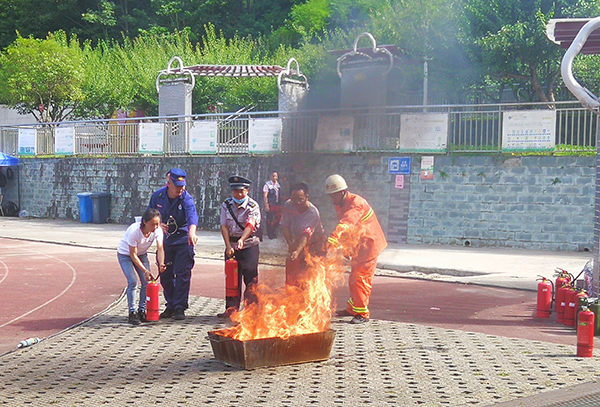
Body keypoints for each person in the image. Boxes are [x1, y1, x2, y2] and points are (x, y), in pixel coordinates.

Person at [325, 174, 387, 324]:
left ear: (342, 192)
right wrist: (347, 248)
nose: (332, 198)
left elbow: (347, 223)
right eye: (330, 196)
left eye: (334, 195)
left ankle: (362, 313)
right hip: (360, 245)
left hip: (369, 244)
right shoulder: (340, 203)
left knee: (360, 278)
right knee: (354, 278)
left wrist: (332, 240)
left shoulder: (356, 203)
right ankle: (353, 308)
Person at [147, 168, 198, 321]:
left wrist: (192, 232)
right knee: (166, 273)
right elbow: (149, 215)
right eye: (177, 186)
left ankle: (179, 307)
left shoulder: (186, 198)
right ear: (168, 183)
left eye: (182, 186)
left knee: (183, 273)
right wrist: (158, 224)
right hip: (165, 241)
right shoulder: (158, 196)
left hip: (183, 239)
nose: (180, 189)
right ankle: (170, 304)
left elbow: (192, 217)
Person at [218, 175, 261, 319]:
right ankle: (231, 309)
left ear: (247, 191)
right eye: (236, 192)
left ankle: (251, 310)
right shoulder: (226, 205)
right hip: (232, 245)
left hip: (249, 246)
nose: (238, 194)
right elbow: (224, 226)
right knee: (232, 278)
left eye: (241, 191)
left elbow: (250, 224)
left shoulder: (253, 206)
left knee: (250, 278)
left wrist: (242, 239)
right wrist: (228, 245)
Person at [117, 208, 166, 325]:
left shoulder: (157, 231)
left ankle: (142, 310)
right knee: (133, 281)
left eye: (157, 224)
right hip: (126, 255)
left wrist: (161, 263)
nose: (155, 227)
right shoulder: (134, 231)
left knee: (146, 282)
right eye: (152, 224)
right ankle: (132, 312)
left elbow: (160, 248)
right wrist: (145, 270)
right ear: (144, 222)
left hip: (142, 254)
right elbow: (133, 255)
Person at [280, 182, 325, 286]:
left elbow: (306, 235)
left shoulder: (313, 213)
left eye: (300, 199)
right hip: (299, 240)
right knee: (297, 273)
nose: (297, 203)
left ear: (307, 197)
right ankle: (296, 298)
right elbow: (285, 226)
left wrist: (297, 250)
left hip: (316, 245)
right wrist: (290, 244)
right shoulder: (288, 205)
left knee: (311, 274)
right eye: (293, 199)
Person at [263, 171, 282, 239]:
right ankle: (270, 234)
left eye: (276, 176)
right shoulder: (267, 185)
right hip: (270, 204)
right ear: (270, 176)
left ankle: (273, 232)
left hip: (277, 204)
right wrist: (266, 204)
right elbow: (265, 195)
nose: (275, 177)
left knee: (278, 218)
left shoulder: (278, 185)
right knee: (269, 219)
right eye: (273, 176)